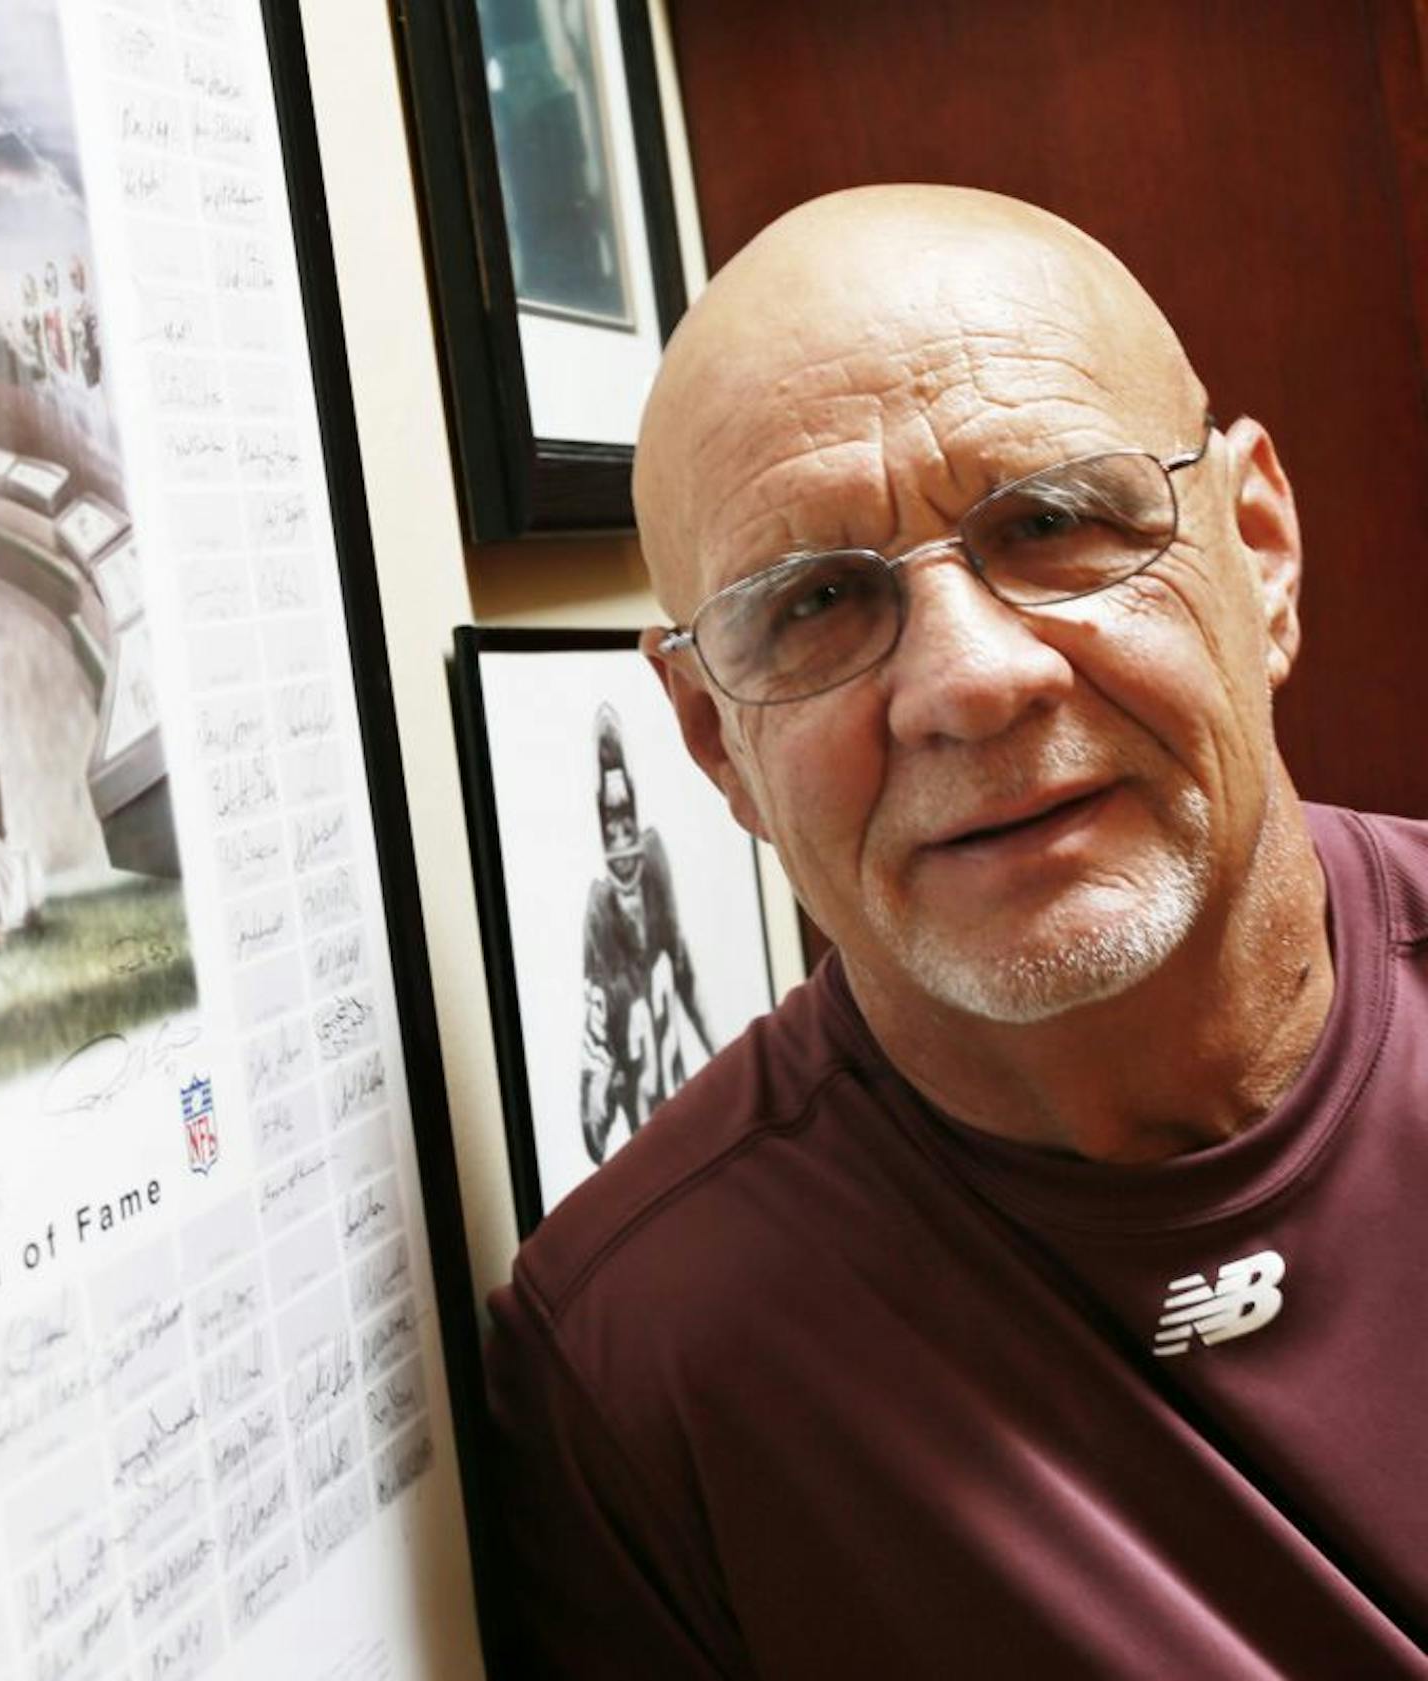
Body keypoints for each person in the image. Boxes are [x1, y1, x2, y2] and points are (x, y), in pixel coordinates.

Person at [483, 185, 1428, 1677]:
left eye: (1051, 521)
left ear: (1258, 549)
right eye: (814, 605)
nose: (968, 684)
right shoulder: (643, 1365)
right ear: (714, 743)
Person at [578, 703, 710, 1166]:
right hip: (649, 1145)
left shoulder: (656, 869)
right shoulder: (599, 913)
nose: (621, 846)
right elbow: (595, 1039)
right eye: (610, 831)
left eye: (626, 827)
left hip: (684, 1114)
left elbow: (687, 976)